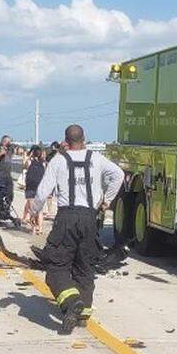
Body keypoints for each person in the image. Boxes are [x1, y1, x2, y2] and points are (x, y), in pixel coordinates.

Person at [27, 124, 124, 334]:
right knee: (85, 267)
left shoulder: (58, 160)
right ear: (84, 139)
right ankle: (82, 316)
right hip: (89, 219)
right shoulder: (96, 159)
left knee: (56, 268)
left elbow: (43, 192)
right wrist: (106, 200)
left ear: (65, 141)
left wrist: (34, 211)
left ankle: (72, 303)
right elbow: (119, 175)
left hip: (66, 219)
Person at [0, 135, 18, 225]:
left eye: (10, 142)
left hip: (8, 175)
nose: (10, 143)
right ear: (4, 141)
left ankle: (6, 210)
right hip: (0, 175)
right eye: (8, 141)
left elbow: (17, 149)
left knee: (10, 194)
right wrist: (1, 154)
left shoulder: (10, 149)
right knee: (0, 194)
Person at [23, 145, 47, 235]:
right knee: (40, 210)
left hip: (31, 188)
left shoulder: (30, 162)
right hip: (40, 188)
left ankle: (33, 228)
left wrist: (29, 155)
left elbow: (24, 165)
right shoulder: (43, 163)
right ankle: (40, 229)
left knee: (32, 210)